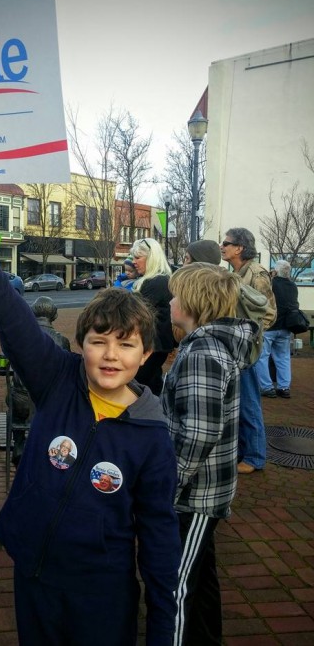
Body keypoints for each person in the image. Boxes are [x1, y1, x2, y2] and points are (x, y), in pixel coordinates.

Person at [0, 216, 181, 646]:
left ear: (146, 354)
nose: (111, 355)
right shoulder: (58, 380)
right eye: (99, 341)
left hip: (101, 592)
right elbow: (19, 330)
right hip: (34, 572)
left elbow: (159, 534)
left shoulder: (151, 435)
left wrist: (164, 627)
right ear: (81, 345)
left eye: (126, 344)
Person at [161, 263, 256, 646]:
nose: (169, 301)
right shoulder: (210, 345)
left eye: (175, 295)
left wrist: (169, 486)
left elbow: (199, 432)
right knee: (201, 577)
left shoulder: (202, 350)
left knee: (175, 583)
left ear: (193, 303)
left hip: (194, 496)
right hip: (202, 491)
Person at [220, 228, 276, 474]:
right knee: (239, 402)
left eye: (226, 243)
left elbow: (269, 314)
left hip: (246, 351)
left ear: (239, 248)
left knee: (250, 403)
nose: (222, 247)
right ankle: (245, 452)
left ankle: (254, 457)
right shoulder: (235, 273)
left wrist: (247, 336)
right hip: (235, 348)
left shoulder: (256, 274)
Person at [9, 296, 70, 466]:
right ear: (54, 316)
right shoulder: (62, 341)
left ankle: (19, 444)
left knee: (14, 401)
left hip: (21, 401)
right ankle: (48, 445)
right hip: (50, 402)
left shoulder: (20, 337)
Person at [130, 237, 174, 396]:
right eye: (133, 257)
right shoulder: (161, 279)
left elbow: (134, 313)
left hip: (154, 344)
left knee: (140, 386)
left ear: (151, 257)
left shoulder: (156, 282)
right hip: (157, 344)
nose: (134, 261)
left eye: (137, 257)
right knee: (152, 381)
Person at [256, 259, 297, 399]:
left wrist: (270, 275)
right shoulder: (293, 286)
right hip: (285, 327)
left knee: (262, 357)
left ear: (275, 270)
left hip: (270, 326)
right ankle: (284, 387)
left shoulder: (271, 284)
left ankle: (266, 387)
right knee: (283, 358)